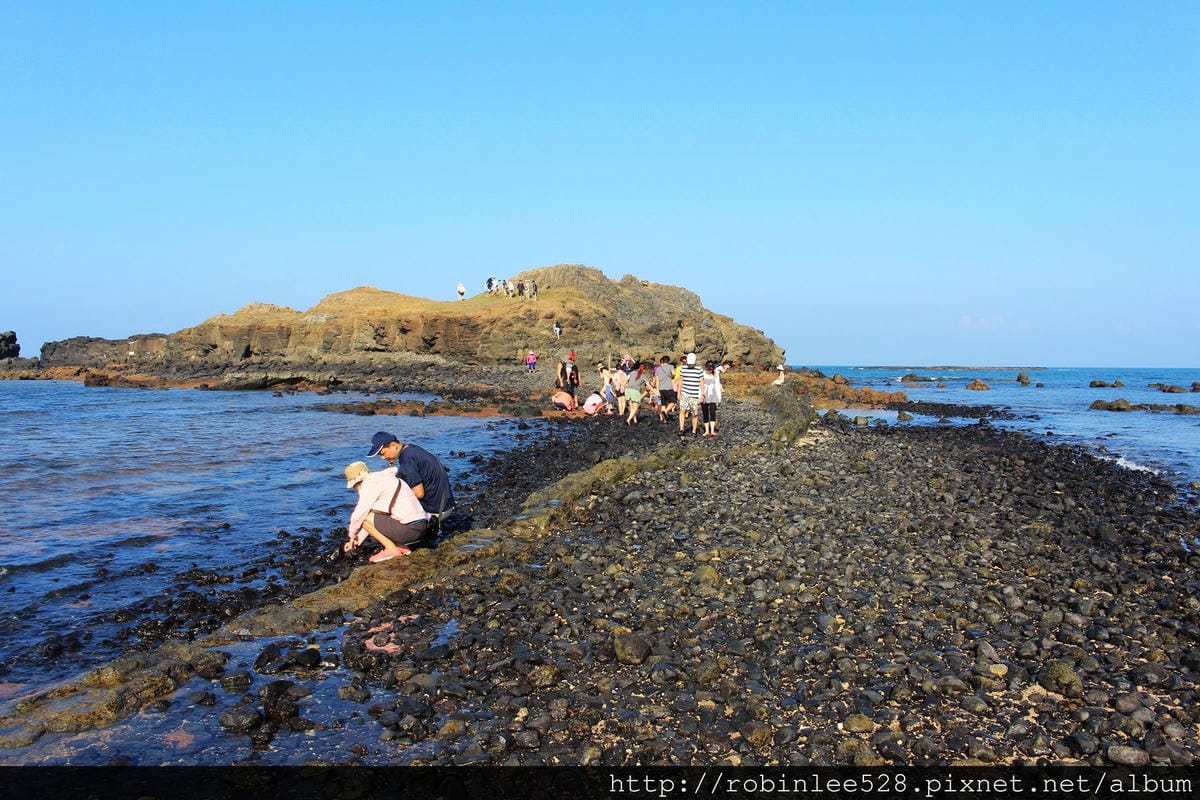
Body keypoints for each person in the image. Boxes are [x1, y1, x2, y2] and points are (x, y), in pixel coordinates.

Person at [342, 461, 428, 563]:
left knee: (364, 517)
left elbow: (359, 516)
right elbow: (373, 522)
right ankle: (401, 547)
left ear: (357, 483)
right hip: (422, 527)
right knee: (372, 516)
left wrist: (351, 537)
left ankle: (391, 549)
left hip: (410, 530)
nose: (356, 489)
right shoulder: (386, 479)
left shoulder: (369, 485)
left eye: (354, 486)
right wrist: (357, 541)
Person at [367, 432, 456, 529]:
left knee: (378, 514)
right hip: (447, 505)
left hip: (435, 511)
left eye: (382, 453)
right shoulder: (412, 450)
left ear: (393, 445)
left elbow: (418, 493)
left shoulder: (406, 459)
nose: (383, 458)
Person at [677, 352, 706, 436]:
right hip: (684, 393)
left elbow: (702, 382)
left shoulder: (699, 370)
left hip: (695, 394)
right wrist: (678, 393)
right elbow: (680, 381)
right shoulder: (683, 369)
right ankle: (681, 429)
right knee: (682, 411)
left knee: (694, 413)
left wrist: (702, 394)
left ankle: (694, 431)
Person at [701, 361, 722, 437]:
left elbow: (717, 385)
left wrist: (719, 397)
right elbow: (700, 385)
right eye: (709, 369)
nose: (710, 370)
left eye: (711, 369)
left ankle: (712, 430)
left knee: (713, 412)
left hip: (713, 394)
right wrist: (700, 395)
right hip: (704, 394)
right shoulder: (702, 373)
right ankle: (707, 430)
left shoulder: (715, 373)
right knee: (705, 413)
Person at [654, 356, 676, 422]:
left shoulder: (658, 369)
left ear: (662, 361)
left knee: (663, 404)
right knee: (673, 401)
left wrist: (657, 390)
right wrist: (671, 376)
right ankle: (666, 411)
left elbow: (657, 380)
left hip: (661, 388)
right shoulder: (671, 366)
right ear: (668, 361)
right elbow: (673, 374)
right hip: (668, 387)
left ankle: (664, 419)